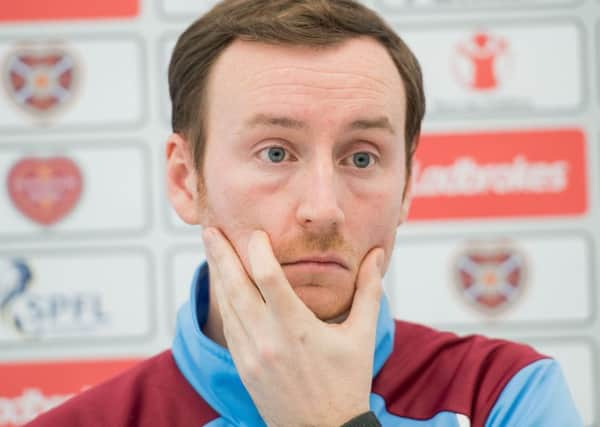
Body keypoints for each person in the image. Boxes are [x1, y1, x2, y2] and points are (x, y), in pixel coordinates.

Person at [25, 0, 583, 426]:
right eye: (275, 152)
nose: (323, 209)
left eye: (361, 157)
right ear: (184, 178)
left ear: (408, 186)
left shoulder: (503, 396)